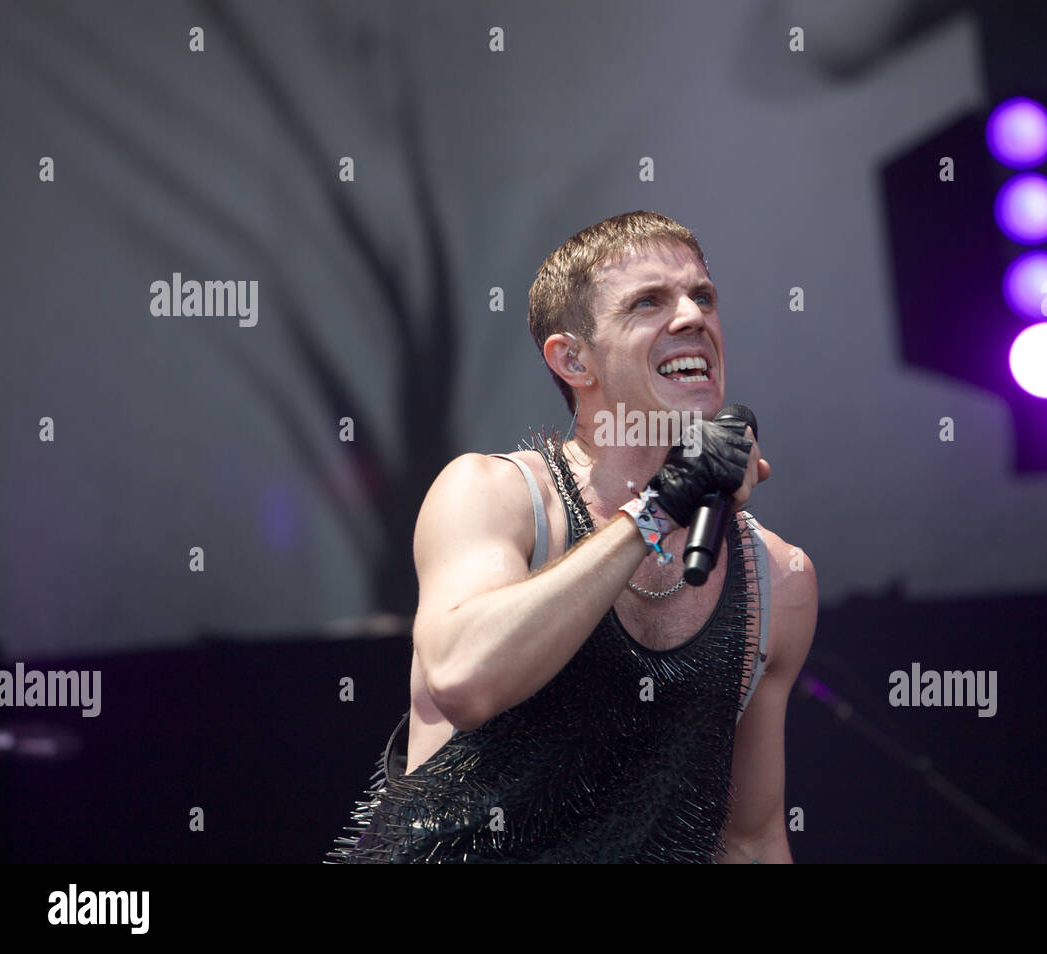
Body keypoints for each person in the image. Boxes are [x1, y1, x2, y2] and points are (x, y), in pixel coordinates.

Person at [327, 210, 817, 863]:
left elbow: (750, 839)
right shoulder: (493, 497)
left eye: (702, 296)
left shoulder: (777, 576)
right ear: (573, 359)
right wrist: (658, 509)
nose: (692, 316)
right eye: (649, 302)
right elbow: (465, 679)